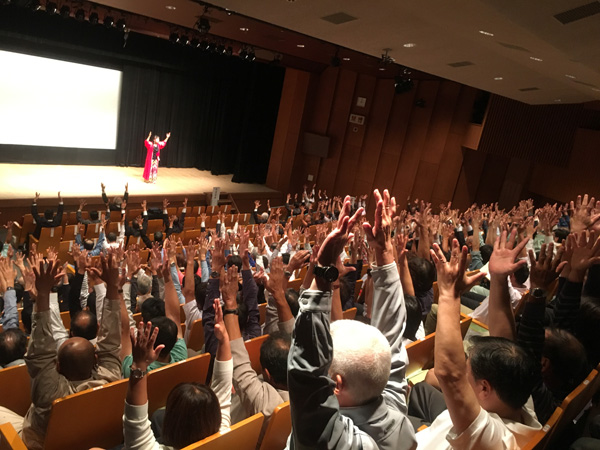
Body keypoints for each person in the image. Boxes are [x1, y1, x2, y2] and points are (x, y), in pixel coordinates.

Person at [287, 192, 417, 449]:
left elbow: (306, 376)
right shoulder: (394, 411)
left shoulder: (341, 442)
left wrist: (322, 272)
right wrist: (383, 249)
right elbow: (391, 333)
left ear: (336, 384)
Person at [122, 299, 232, 450]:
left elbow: (135, 423)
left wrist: (140, 363)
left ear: (168, 425)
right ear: (216, 417)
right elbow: (223, 390)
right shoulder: (223, 432)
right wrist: (224, 339)